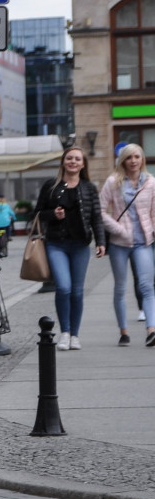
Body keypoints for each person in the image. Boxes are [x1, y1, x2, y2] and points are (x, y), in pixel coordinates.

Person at [33, 146, 106, 351]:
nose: (73, 161)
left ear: (83, 164)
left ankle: (75, 334)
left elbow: (96, 218)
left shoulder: (89, 187)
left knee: (77, 291)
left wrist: (101, 242)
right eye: (69, 158)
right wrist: (52, 214)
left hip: (80, 244)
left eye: (77, 159)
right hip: (56, 243)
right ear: (63, 161)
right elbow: (37, 214)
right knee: (63, 287)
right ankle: (64, 332)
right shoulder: (51, 186)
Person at [99, 144, 155, 347]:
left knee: (147, 286)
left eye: (137, 156)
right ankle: (123, 331)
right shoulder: (113, 182)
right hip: (120, 243)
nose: (133, 160)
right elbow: (101, 211)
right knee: (120, 288)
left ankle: (151, 329)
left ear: (142, 159)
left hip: (143, 242)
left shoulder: (150, 182)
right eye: (129, 157)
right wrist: (118, 229)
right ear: (123, 160)